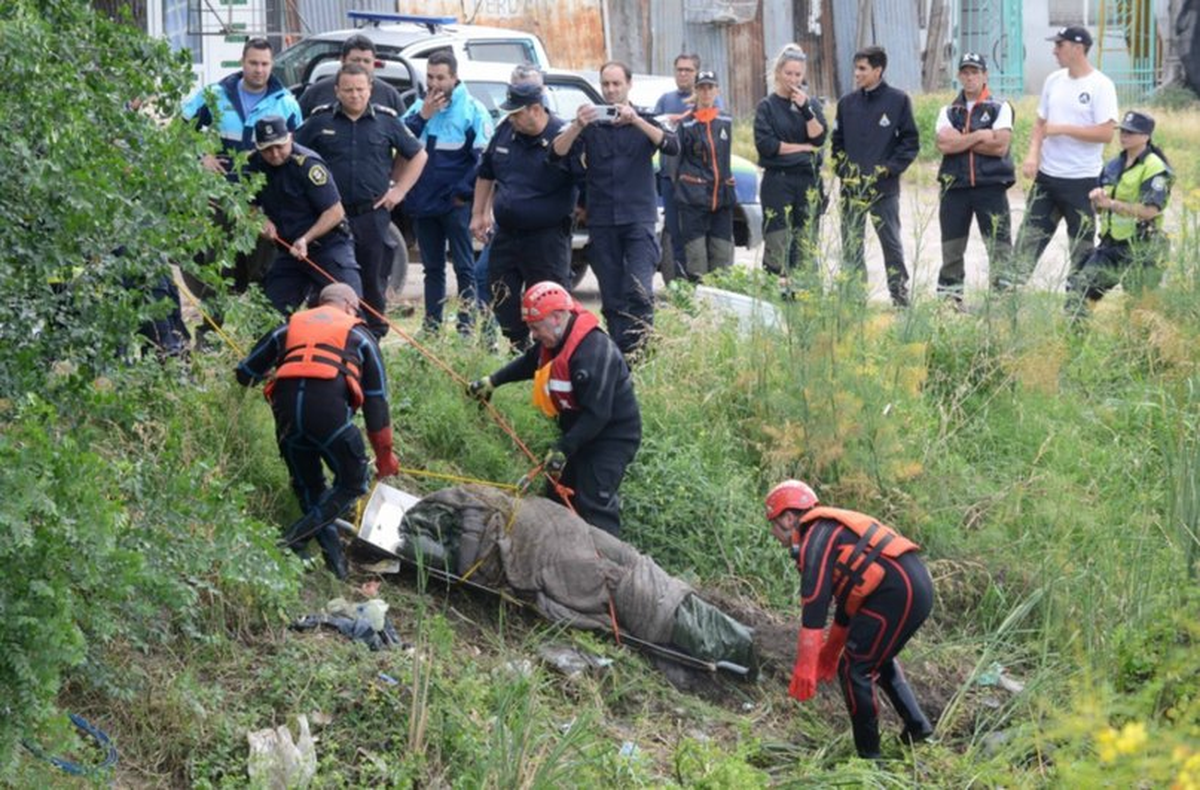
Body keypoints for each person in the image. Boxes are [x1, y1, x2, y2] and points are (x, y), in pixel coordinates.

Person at [235, 283, 399, 578]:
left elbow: (244, 374)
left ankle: (337, 568)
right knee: (353, 483)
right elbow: (377, 404)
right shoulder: (360, 335)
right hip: (329, 416)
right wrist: (385, 458)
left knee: (311, 488)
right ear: (351, 306)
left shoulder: (288, 328)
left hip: (286, 417)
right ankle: (291, 540)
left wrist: (271, 368)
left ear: (319, 304)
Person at [764, 479, 934, 759]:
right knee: (873, 655)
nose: (773, 533)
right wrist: (830, 650)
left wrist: (806, 666)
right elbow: (849, 597)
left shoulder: (815, 538)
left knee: (855, 669)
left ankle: (870, 760)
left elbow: (815, 604)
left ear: (787, 517)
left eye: (772, 523)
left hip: (899, 591)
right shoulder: (829, 530)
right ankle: (917, 725)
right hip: (913, 586)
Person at [467, 282, 641, 536]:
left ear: (557, 317)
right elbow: (531, 361)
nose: (534, 335)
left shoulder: (593, 353)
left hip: (610, 438)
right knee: (556, 495)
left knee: (593, 503)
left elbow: (597, 415)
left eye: (536, 328)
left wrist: (563, 448)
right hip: (578, 434)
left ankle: (609, 566)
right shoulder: (557, 337)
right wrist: (493, 381)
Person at [552, 61, 679, 356]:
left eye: (616, 84)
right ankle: (622, 360)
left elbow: (672, 146)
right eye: (605, 84)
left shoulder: (643, 118)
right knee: (611, 297)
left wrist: (635, 120)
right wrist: (577, 125)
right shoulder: (592, 124)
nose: (610, 90)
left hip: (638, 220)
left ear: (629, 84)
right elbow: (556, 154)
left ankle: (643, 353)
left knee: (639, 291)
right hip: (603, 221)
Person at [295, 64, 427, 338]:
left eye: (360, 89)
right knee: (327, 279)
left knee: (372, 278)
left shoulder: (387, 121)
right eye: (348, 90)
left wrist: (398, 191)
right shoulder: (320, 122)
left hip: (371, 216)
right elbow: (293, 153)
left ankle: (370, 340)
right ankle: (324, 337)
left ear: (370, 90)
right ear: (337, 91)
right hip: (330, 218)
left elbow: (418, 155)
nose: (354, 95)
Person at [182, 37, 302, 336]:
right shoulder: (214, 95)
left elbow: (295, 150)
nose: (258, 70)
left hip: (264, 198)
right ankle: (210, 335)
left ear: (271, 65)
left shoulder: (285, 102)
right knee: (217, 267)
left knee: (265, 267)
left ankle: (262, 336)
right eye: (253, 63)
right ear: (242, 62)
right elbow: (179, 131)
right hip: (222, 197)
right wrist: (201, 156)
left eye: (264, 64)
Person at [471, 81, 582, 347]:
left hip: (546, 238)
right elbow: (486, 172)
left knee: (549, 302)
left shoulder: (563, 135)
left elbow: (586, 178)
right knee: (502, 296)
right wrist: (478, 213)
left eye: (517, 113)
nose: (512, 119)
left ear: (535, 109)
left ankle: (554, 355)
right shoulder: (506, 131)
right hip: (507, 235)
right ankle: (519, 348)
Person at [1011, 25, 1118, 289]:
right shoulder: (1054, 80)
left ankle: (1076, 305)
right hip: (1047, 178)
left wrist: (1063, 129)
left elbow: (1106, 133)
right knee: (1029, 239)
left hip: (1082, 181)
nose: (1054, 50)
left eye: (1060, 45)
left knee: (1081, 245)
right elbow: (1040, 124)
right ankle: (1006, 299)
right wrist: (1032, 154)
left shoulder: (1100, 85)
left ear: (1077, 48)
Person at [403, 50, 494, 334]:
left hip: (456, 205)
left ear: (454, 78)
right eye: (430, 77)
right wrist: (422, 116)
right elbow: (395, 140)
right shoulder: (419, 107)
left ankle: (466, 330)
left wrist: (463, 194)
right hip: (424, 204)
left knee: (465, 269)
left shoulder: (472, 110)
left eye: (441, 77)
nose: (434, 83)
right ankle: (431, 327)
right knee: (432, 269)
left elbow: (484, 160)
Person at [832, 46, 920, 306]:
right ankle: (853, 298)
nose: (857, 74)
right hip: (851, 189)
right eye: (856, 68)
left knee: (891, 243)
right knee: (851, 244)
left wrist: (888, 169)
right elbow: (836, 144)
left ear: (878, 70)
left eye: (863, 69)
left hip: (884, 188)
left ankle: (900, 297)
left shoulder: (898, 101)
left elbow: (910, 142)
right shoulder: (847, 103)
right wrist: (845, 172)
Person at [247, 115, 361, 314]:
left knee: (349, 308)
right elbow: (248, 205)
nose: (274, 154)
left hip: (327, 246)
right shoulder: (254, 164)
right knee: (268, 316)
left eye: (279, 146)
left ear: (290, 138)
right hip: (288, 250)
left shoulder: (308, 165)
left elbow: (335, 211)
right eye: (267, 149)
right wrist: (259, 220)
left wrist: (306, 239)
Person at [1067, 110, 1173, 312]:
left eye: (1130, 133)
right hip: (1111, 244)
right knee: (1079, 294)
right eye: (1122, 131)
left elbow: (1150, 211)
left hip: (1142, 247)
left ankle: (1139, 343)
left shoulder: (1155, 167)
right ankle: (1076, 341)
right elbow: (1100, 209)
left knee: (1138, 310)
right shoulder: (1113, 165)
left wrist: (1112, 204)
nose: (1123, 136)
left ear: (1146, 136)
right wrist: (1097, 199)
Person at [934, 53, 1016, 304]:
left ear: (985, 75)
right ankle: (950, 302)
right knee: (952, 250)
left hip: (991, 188)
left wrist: (962, 139)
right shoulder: (948, 110)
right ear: (959, 75)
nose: (970, 77)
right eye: (965, 72)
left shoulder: (1000, 107)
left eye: (975, 72)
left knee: (999, 248)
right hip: (955, 189)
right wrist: (980, 134)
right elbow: (945, 145)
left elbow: (1000, 146)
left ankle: (1001, 303)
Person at [754, 43, 828, 276]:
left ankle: (803, 299)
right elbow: (768, 146)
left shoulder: (811, 104)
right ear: (778, 73)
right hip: (778, 182)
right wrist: (803, 147)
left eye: (798, 74)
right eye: (788, 73)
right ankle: (775, 295)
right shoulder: (767, 106)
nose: (793, 79)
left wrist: (805, 110)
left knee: (805, 244)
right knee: (777, 243)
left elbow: (818, 139)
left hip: (807, 182)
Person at [654, 53, 719, 278]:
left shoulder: (710, 99)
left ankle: (703, 284)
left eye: (688, 70)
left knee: (700, 236)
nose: (683, 74)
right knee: (674, 232)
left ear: (696, 73)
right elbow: (654, 133)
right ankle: (679, 285)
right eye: (679, 69)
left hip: (700, 183)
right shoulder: (664, 100)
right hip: (670, 180)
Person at [674, 70, 736, 279]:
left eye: (710, 87)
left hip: (722, 200)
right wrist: (686, 187)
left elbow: (726, 157)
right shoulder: (686, 124)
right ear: (696, 90)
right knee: (696, 261)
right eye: (702, 87)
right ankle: (697, 306)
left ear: (717, 90)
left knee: (722, 258)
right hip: (694, 202)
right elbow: (674, 163)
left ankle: (722, 306)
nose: (706, 91)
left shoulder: (726, 120)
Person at [298, 33, 406, 118]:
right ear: (342, 60)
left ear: (374, 63)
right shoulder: (317, 92)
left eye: (366, 61)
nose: (361, 65)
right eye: (356, 60)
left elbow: (405, 135)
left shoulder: (389, 95)